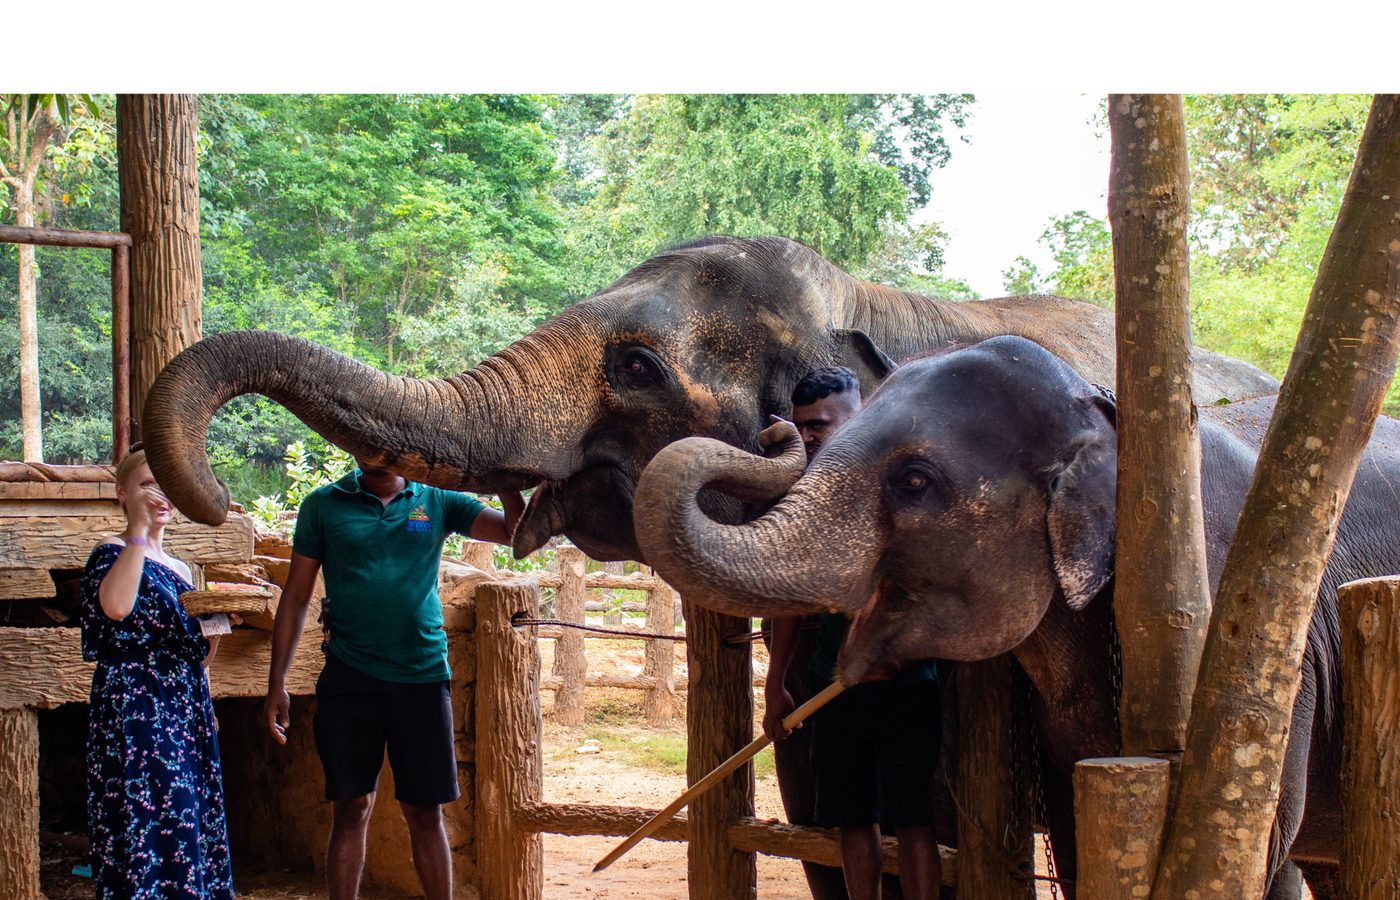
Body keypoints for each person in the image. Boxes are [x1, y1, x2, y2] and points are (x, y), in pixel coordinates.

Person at [263, 456, 523, 900]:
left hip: (421, 677)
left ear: (401, 442)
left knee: (424, 812)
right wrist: (276, 684)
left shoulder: (435, 498)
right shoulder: (324, 504)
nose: (374, 451)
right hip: (349, 678)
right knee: (351, 807)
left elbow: (516, 534)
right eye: (362, 442)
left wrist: (504, 481)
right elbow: (297, 596)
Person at [764, 366, 943, 900]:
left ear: (860, 418)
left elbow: (932, 588)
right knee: (851, 819)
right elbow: (790, 600)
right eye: (802, 428)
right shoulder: (805, 497)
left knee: (913, 821)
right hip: (834, 685)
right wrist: (775, 685)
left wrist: (899, 653)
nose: (811, 437)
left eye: (821, 423)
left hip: (909, 685)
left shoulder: (908, 488)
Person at [81, 448, 234, 899]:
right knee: (150, 815)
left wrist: (220, 622)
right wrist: (138, 534)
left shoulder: (183, 570)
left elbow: (199, 655)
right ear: (122, 492)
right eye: (148, 483)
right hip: (136, 705)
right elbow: (116, 608)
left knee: (190, 814)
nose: (160, 494)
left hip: (184, 705)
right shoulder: (110, 553)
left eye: (167, 484)